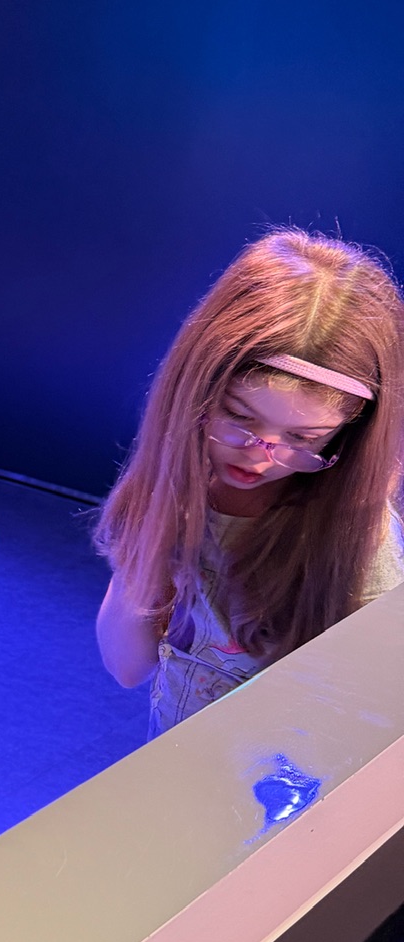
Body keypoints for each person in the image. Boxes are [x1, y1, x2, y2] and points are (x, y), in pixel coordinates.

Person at [95, 229, 404, 734]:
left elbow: (369, 720)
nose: (260, 457)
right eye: (239, 416)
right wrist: (148, 555)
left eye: (303, 438)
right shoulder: (180, 480)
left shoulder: (363, 543)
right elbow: (127, 667)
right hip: (174, 745)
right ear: (196, 389)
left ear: (348, 436)